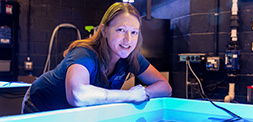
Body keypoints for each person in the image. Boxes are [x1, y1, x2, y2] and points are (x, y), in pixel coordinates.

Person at [21, 2, 172, 113]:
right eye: (121, 30)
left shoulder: (131, 57)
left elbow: (165, 87)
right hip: (40, 104)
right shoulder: (85, 53)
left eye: (134, 32)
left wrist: (142, 94)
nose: (128, 40)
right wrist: (129, 95)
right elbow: (77, 95)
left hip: (71, 112)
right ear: (104, 30)